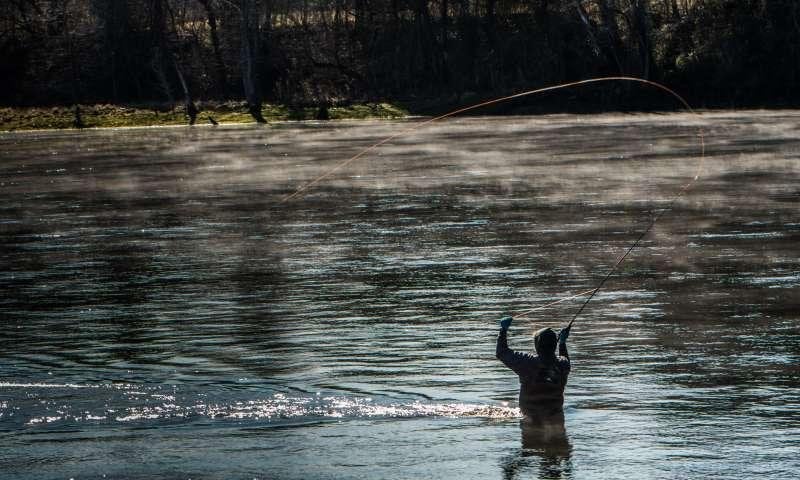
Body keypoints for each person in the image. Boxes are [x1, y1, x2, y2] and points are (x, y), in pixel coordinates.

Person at [496, 316, 571, 418]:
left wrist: (503, 330)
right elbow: (565, 360)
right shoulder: (563, 364)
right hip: (555, 414)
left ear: (537, 345)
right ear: (554, 345)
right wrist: (562, 343)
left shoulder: (526, 362)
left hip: (529, 415)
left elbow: (501, 353)